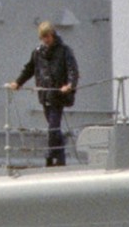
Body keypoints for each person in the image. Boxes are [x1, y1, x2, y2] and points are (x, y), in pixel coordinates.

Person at [7, 22, 79, 167]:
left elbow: (73, 70)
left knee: (53, 127)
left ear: (52, 35)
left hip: (58, 95)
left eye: (47, 36)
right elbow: (29, 70)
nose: (45, 40)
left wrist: (70, 85)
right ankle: (59, 157)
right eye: (43, 37)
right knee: (54, 128)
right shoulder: (38, 52)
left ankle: (50, 155)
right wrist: (18, 83)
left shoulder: (64, 51)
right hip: (45, 95)